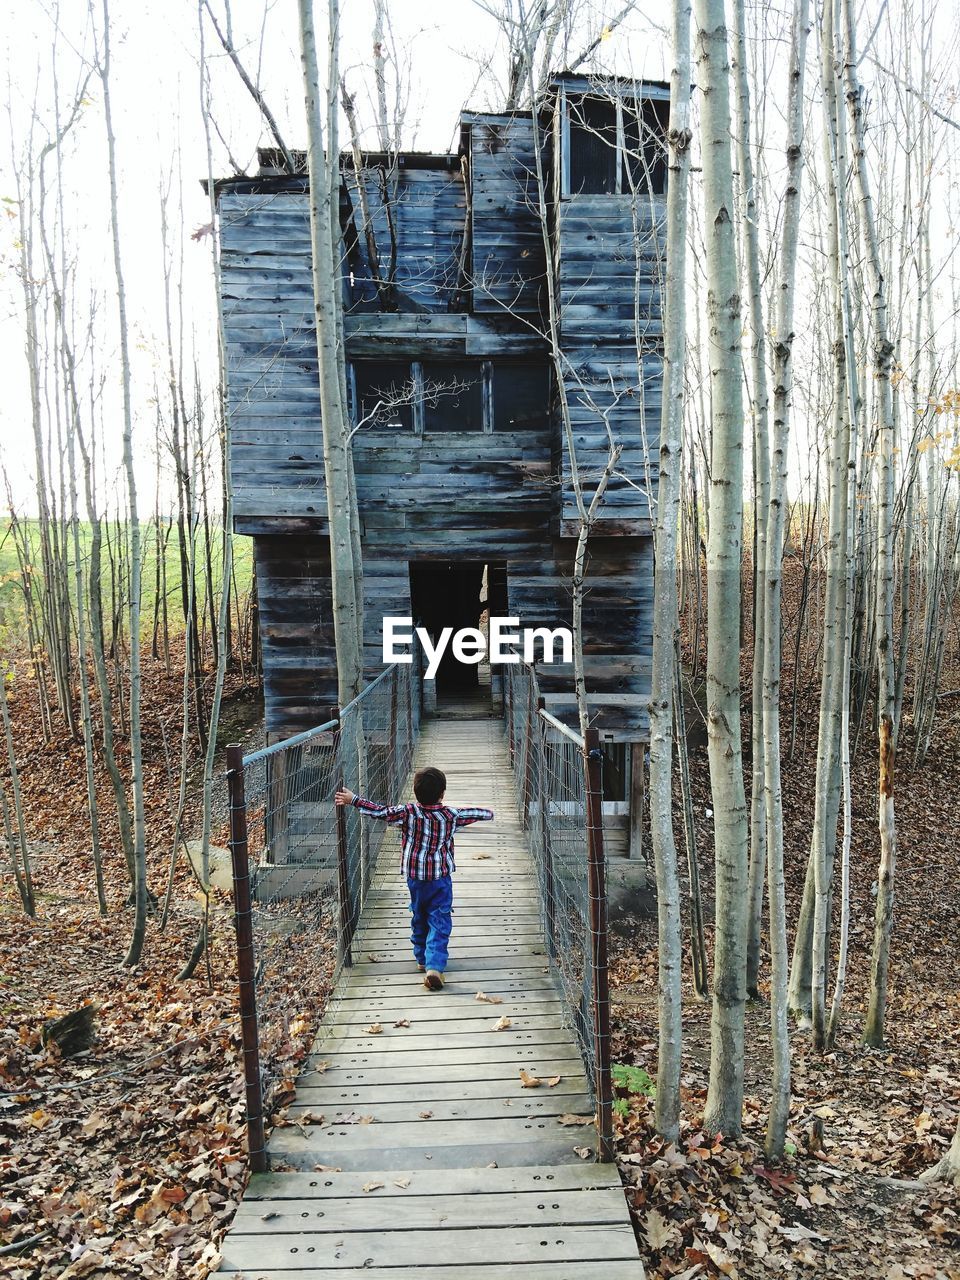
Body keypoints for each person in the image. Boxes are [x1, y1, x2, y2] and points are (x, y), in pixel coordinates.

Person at [334, 766, 494, 991]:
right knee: (439, 920)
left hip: (415, 879)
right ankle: (434, 966)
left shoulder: (407, 812)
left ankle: (421, 957)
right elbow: (471, 813)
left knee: (419, 914)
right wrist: (489, 813)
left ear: (415, 792)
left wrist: (354, 800)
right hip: (440, 880)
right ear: (442, 794)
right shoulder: (450, 816)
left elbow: (380, 812)